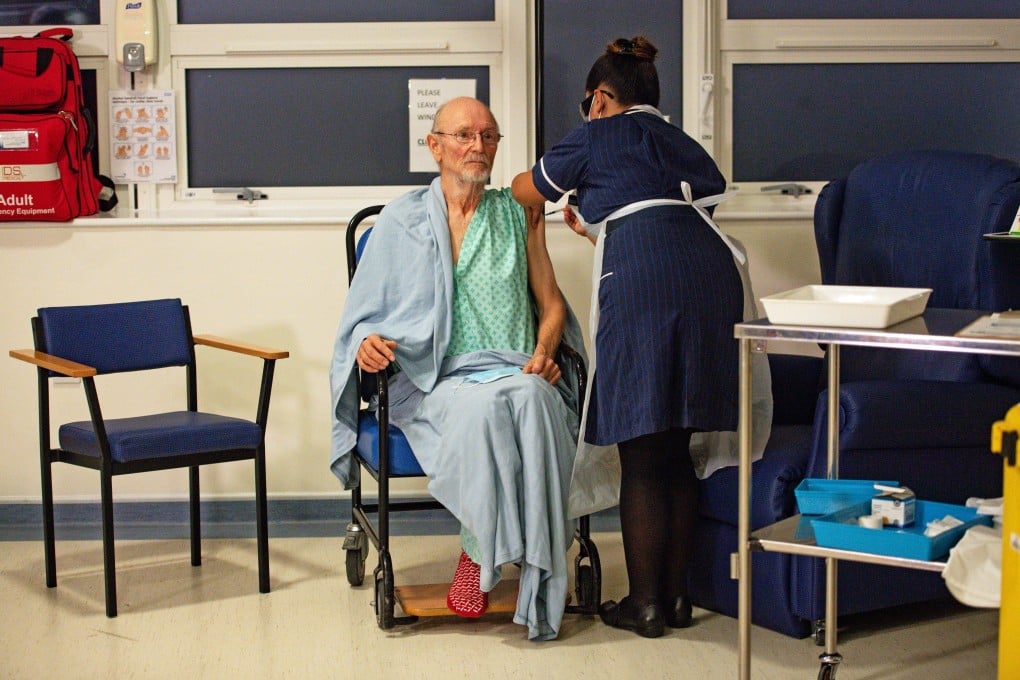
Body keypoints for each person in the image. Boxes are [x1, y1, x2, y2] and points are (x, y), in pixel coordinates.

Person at [512, 36, 759, 639]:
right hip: (711, 279)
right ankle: (674, 599)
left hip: (647, 282)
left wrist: (546, 191)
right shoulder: (679, 140)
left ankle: (643, 605)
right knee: (677, 444)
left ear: (599, 98)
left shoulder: (597, 134)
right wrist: (600, 228)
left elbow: (527, 188)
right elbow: (675, 211)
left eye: (587, 104)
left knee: (642, 450)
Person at [329, 97, 586, 641]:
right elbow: (362, 316)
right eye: (465, 135)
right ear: (435, 146)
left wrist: (545, 350)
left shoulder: (517, 212)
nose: (479, 146)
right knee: (487, 408)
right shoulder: (399, 221)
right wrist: (365, 342)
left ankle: (532, 564)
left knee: (535, 399)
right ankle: (481, 554)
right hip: (432, 379)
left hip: (515, 369)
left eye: (489, 136)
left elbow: (552, 305)